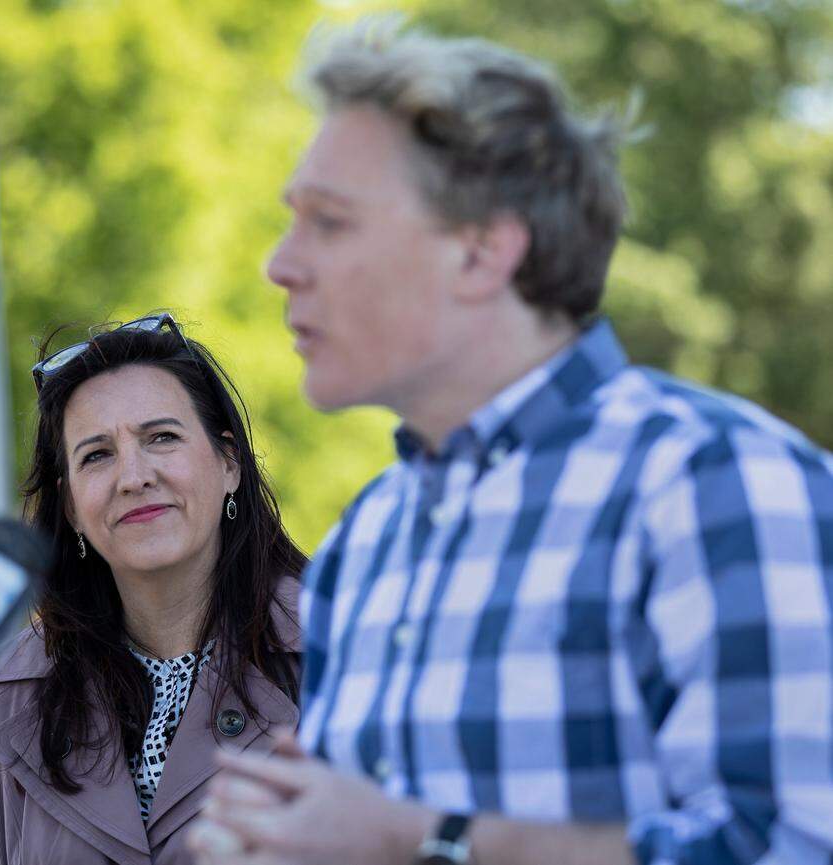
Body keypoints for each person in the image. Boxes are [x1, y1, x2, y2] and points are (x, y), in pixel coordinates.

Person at [190, 20, 833, 865]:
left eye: (330, 222)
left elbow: (793, 845)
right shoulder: (366, 538)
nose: (280, 264)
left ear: (483, 249)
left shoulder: (723, 482)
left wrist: (426, 843)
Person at [0, 313, 305, 865]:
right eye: (96, 455)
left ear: (229, 463)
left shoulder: (345, 651)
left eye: (161, 438)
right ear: (71, 507)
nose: (133, 477)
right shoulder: (6, 695)